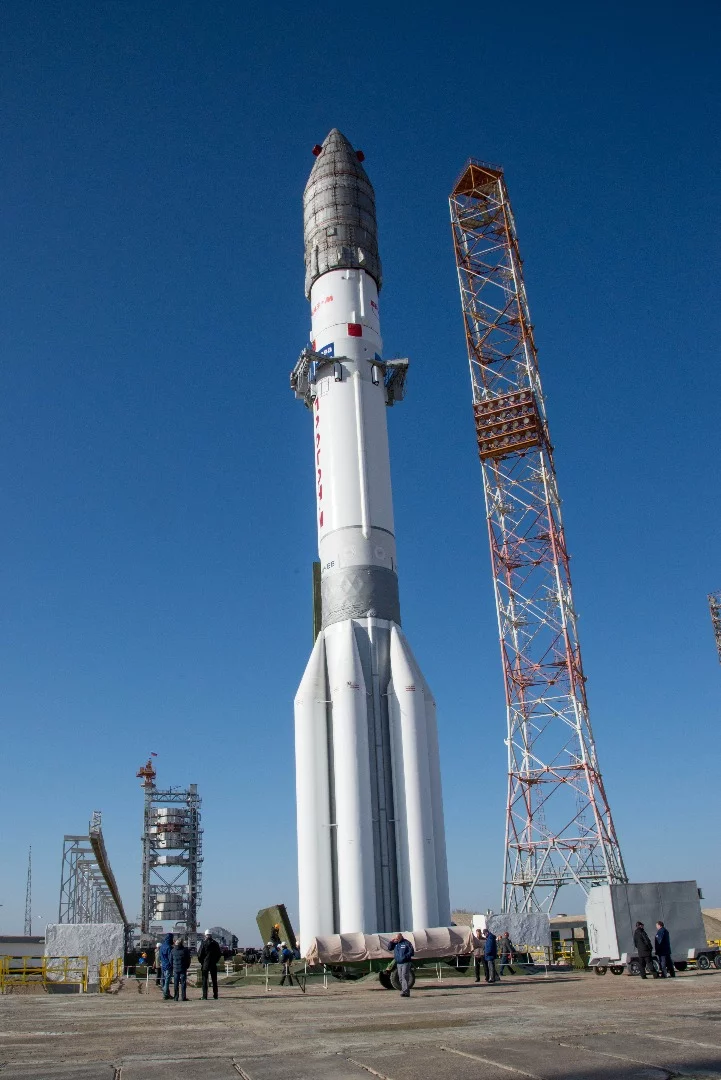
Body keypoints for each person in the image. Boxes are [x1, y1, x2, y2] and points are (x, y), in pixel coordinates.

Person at [385, 933, 415, 998]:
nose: (397, 939)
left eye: (398, 938)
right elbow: (389, 948)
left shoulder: (406, 943)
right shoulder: (396, 944)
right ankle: (404, 991)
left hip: (406, 962)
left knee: (404, 976)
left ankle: (406, 992)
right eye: (396, 938)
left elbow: (411, 952)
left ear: (401, 937)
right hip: (399, 963)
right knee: (401, 978)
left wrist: (405, 957)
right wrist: (391, 942)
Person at [197, 930, 222, 1000]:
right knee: (214, 980)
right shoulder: (216, 943)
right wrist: (215, 961)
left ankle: (204, 996)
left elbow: (199, 955)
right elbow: (219, 954)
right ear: (211, 935)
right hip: (213, 964)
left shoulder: (203, 943)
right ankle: (215, 995)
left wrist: (202, 962)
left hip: (205, 964)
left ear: (205, 935)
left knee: (205, 980)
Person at [159, 932, 174, 999]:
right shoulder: (169, 947)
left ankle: (167, 994)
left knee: (164, 980)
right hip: (168, 965)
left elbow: (160, 957)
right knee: (167, 981)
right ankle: (165, 994)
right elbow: (170, 958)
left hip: (163, 965)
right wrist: (172, 965)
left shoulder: (162, 946)